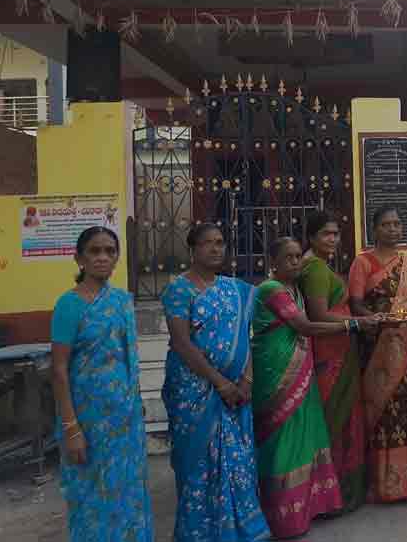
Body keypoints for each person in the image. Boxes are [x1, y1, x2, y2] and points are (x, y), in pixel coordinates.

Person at [252, 237, 377, 538]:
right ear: (273, 262)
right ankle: (281, 517)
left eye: (298, 257)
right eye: (288, 258)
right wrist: (354, 324)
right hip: (276, 370)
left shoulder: (294, 289)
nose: (295, 262)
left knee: (304, 436)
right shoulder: (270, 290)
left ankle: (304, 509)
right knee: (282, 439)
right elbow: (305, 327)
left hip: (300, 369)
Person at [161, 223, 271, 542]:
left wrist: (247, 378)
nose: (215, 248)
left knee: (238, 459)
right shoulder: (179, 290)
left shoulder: (235, 289)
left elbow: (244, 337)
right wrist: (220, 383)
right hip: (195, 391)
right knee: (197, 462)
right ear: (192, 249)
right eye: (207, 243)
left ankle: (240, 529)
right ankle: (200, 532)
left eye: (220, 242)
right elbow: (182, 343)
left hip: (237, 390)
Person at [50, 226, 152, 542]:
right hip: (87, 421)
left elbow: (128, 358)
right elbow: (59, 369)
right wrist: (71, 428)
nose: (103, 257)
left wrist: (136, 400)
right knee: (92, 496)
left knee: (129, 492)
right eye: (94, 251)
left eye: (110, 251)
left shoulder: (121, 301)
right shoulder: (69, 305)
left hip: (125, 420)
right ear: (79, 258)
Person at [348, 206, 407, 503]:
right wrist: (376, 319)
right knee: (381, 413)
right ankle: (383, 486)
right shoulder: (362, 263)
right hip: (377, 348)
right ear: (375, 230)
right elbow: (356, 304)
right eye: (386, 224)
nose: (393, 229)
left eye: (397, 223)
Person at [299, 210, 368, 513]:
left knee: (340, 418)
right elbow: (318, 315)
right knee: (336, 420)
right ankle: (335, 495)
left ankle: (336, 492)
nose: (333, 240)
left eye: (336, 234)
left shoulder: (319, 265)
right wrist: (355, 324)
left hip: (337, 348)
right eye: (326, 234)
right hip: (329, 352)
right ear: (312, 237)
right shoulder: (314, 268)